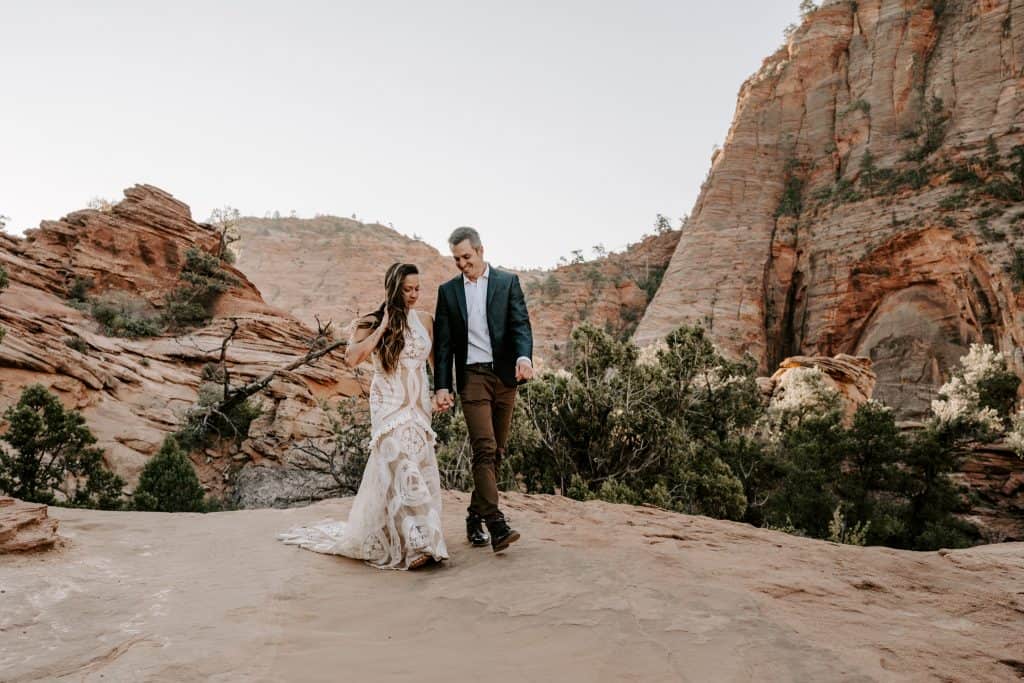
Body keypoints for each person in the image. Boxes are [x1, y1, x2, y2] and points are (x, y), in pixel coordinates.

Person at [278, 263, 448, 570]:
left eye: (417, 289)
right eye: (407, 289)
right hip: (388, 405)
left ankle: (407, 535)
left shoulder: (425, 320)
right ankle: (420, 543)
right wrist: (382, 328)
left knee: (416, 464)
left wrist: (441, 392)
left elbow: (434, 363)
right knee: (401, 464)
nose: (413, 295)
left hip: (418, 406)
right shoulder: (370, 322)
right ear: (392, 289)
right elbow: (352, 359)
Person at [432, 226, 534, 553]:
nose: (462, 264)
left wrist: (524, 358)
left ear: (480, 251)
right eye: (456, 259)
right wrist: (442, 387)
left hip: (505, 377)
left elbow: (520, 325)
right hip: (472, 377)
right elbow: (444, 345)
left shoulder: (507, 283)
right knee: (484, 448)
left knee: (498, 452)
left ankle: (474, 515)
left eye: (466, 256)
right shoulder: (448, 292)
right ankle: (496, 524)